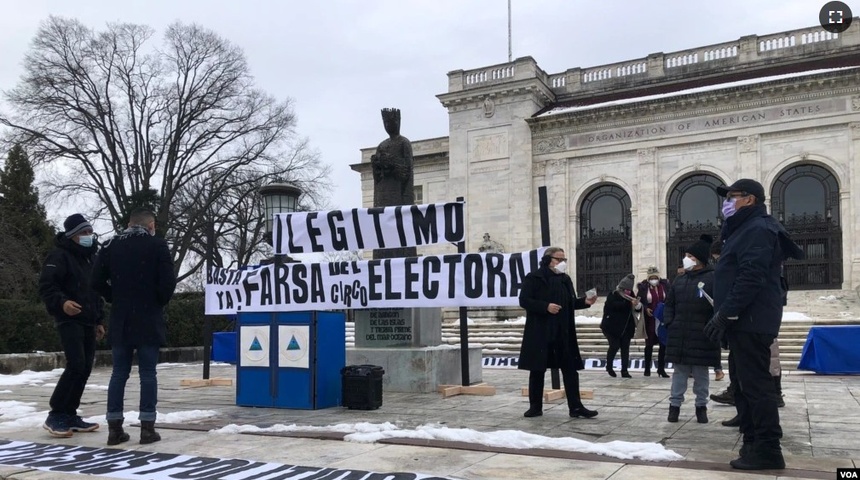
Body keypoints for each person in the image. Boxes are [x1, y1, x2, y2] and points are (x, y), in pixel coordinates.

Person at [704, 179, 803, 470]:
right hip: (743, 321)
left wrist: (726, 313)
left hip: (751, 320)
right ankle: (752, 442)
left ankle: (768, 448)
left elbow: (751, 276)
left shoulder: (758, 228)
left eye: (732, 197)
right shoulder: (743, 228)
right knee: (744, 385)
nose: (727, 202)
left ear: (749, 200)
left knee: (757, 385)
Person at [92, 208, 177, 446]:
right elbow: (168, 283)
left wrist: (115, 296)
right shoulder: (157, 246)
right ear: (151, 226)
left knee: (119, 373)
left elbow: (95, 281)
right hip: (148, 317)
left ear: (129, 224)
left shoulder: (110, 246)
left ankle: (114, 428)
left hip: (121, 318)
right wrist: (155, 300)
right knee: (148, 374)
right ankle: (147, 428)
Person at [38, 214, 105, 437]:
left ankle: (70, 413)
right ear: (72, 236)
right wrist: (62, 303)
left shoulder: (91, 258)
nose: (88, 237)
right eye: (83, 233)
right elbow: (47, 286)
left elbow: (96, 291)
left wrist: (99, 319)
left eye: (89, 232)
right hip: (68, 318)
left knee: (85, 368)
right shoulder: (59, 256)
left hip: (88, 319)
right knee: (75, 364)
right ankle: (56, 412)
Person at [518, 247, 598, 419]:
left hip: (563, 332)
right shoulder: (534, 277)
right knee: (537, 370)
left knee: (570, 370)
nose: (562, 263)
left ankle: (576, 407)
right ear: (548, 260)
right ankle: (535, 406)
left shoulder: (565, 279)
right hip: (541, 331)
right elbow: (524, 300)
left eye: (564, 260)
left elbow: (570, 303)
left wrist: (585, 302)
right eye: (559, 259)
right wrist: (545, 307)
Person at [663, 235, 720, 424]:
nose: (686, 259)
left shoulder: (712, 278)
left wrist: (712, 326)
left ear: (699, 260)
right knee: (679, 373)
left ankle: (701, 407)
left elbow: (718, 306)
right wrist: (670, 321)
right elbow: (669, 303)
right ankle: (674, 406)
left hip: (702, 335)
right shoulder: (680, 279)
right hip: (680, 333)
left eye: (690, 256)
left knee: (701, 374)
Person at [601, 274, 641, 378]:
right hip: (612, 327)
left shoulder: (632, 296)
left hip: (627, 328)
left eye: (629, 289)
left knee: (625, 349)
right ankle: (609, 367)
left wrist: (637, 305)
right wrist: (628, 304)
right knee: (614, 346)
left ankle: (624, 370)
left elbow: (636, 310)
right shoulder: (613, 295)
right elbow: (614, 305)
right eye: (625, 289)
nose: (627, 292)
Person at [636, 266, 670, 377]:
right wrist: (646, 308)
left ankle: (661, 369)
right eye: (652, 277)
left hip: (662, 318)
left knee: (663, 344)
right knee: (649, 344)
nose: (654, 279)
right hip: (650, 319)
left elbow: (670, 298)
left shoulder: (665, 286)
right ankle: (647, 368)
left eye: (655, 277)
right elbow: (639, 301)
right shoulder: (643, 288)